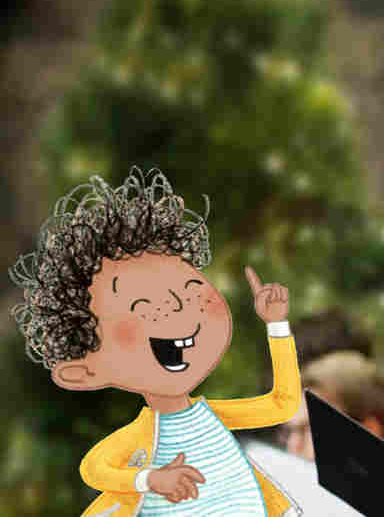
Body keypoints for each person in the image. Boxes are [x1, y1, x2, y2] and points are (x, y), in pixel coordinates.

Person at [8, 168, 302, 516]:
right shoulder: (139, 438)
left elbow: (283, 405)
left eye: (189, 288)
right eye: (140, 306)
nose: (177, 308)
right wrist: (150, 480)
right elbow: (94, 468)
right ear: (85, 372)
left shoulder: (214, 417)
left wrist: (277, 326)